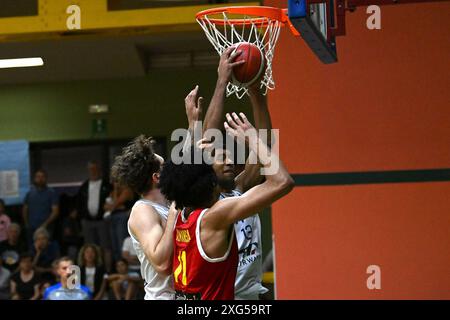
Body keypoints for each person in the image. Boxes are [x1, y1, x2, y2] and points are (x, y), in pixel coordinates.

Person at [158, 112, 294, 300]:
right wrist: (254, 139)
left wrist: (193, 126)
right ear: (211, 183)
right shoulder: (213, 217)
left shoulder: (180, 212)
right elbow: (282, 181)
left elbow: (183, 171)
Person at [186, 48, 273, 299]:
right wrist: (222, 81)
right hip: (220, 297)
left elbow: (265, 145)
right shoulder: (203, 204)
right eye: (219, 156)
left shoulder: (241, 188)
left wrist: (256, 92)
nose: (228, 159)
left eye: (228, 156)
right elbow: (207, 139)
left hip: (248, 296)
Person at [111, 135, 176, 300]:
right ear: (157, 177)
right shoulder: (143, 210)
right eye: (165, 167)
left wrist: (194, 123)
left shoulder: (168, 205)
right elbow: (162, 264)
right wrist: (174, 214)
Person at [76, 161, 112, 271]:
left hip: (103, 220)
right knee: (89, 248)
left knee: (105, 247)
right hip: (87, 221)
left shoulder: (107, 185)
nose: (93, 171)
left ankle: (107, 272)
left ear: (99, 170)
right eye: (91, 169)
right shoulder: (84, 186)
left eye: (95, 169)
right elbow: (79, 203)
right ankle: (92, 272)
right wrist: (82, 218)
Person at [22, 169, 59, 245]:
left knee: (46, 249)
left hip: (46, 227)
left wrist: (45, 224)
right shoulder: (30, 193)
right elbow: (25, 209)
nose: (40, 179)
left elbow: (55, 211)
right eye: (38, 177)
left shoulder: (51, 193)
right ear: (35, 179)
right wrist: (26, 223)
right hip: (31, 227)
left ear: (46, 178)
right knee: (32, 249)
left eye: (42, 177)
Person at [105, 181, 134, 262]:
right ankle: (118, 264)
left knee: (121, 241)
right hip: (112, 218)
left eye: (118, 181)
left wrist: (114, 206)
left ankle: (123, 264)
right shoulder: (114, 192)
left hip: (122, 218)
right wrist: (116, 206)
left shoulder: (127, 190)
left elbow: (114, 203)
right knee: (114, 243)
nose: (116, 183)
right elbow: (105, 206)